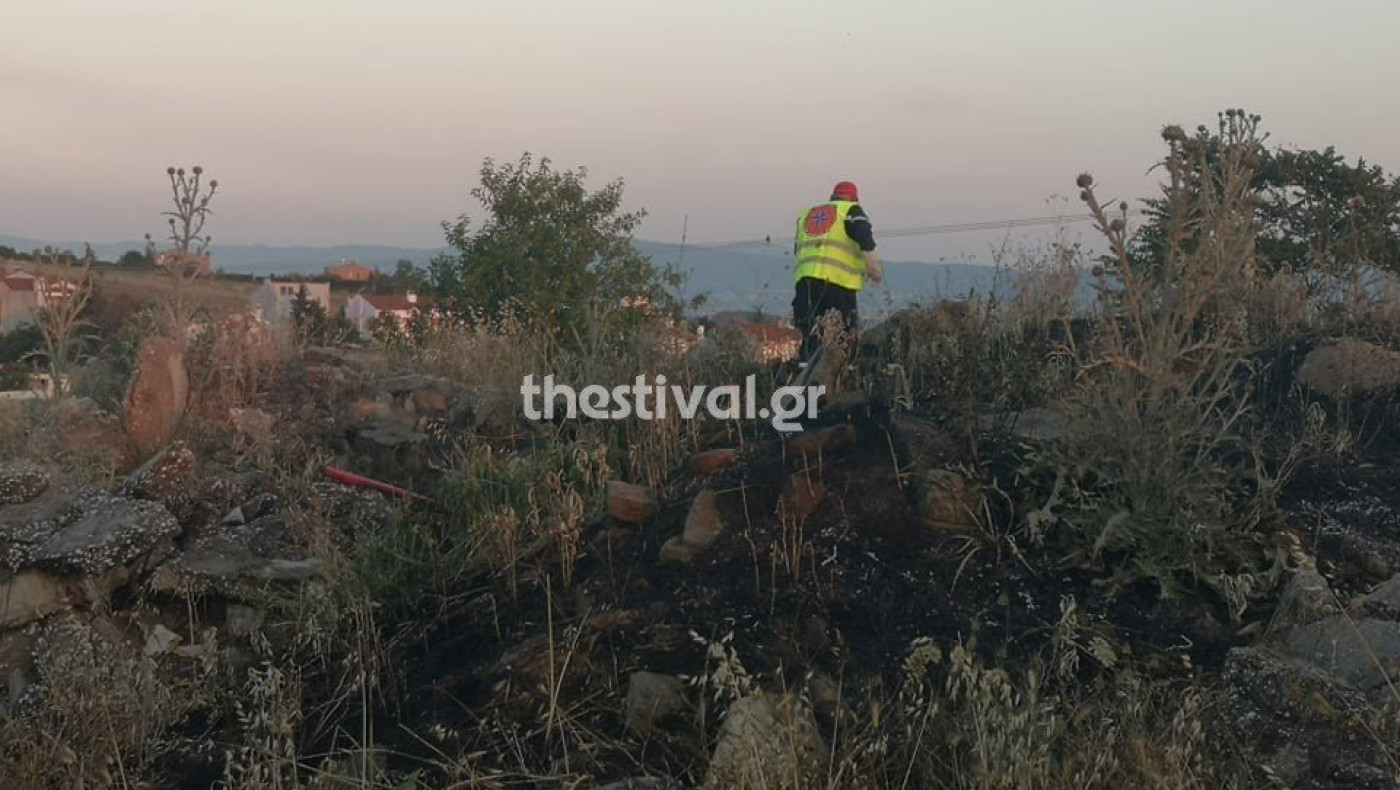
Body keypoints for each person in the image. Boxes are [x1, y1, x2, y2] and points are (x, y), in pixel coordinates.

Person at [791, 181, 883, 363]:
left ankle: (804, 373)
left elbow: (797, 248)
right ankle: (843, 374)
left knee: (810, 331)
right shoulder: (851, 211)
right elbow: (866, 240)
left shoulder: (808, 215)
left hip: (806, 281)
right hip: (838, 282)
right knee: (842, 333)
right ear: (855, 198)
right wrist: (874, 270)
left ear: (832, 195)